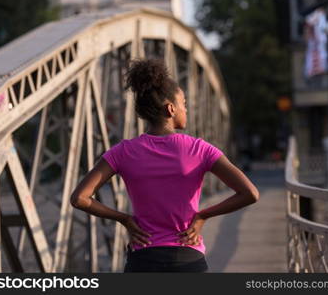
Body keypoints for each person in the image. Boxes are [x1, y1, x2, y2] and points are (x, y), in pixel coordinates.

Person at [70, 58, 259, 272]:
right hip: (188, 259)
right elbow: (250, 193)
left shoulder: (123, 151)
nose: (186, 110)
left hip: (143, 259)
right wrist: (203, 216)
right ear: (170, 109)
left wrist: (124, 219)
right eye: (184, 105)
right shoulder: (199, 149)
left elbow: (80, 198)